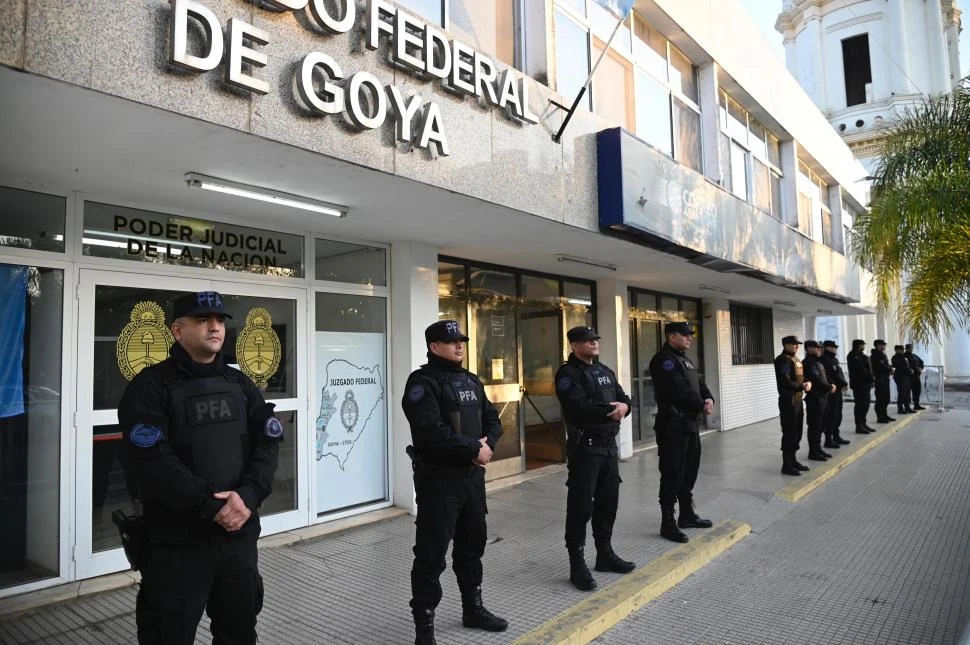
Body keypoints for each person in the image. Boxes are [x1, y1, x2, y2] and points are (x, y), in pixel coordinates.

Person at [117, 291, 282, 645]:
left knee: (238, 633)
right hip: (177, 543)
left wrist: (248, 496)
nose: (215, 327)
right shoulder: (150, 387)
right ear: (178, 330)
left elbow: (268, 443)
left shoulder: (239, 383)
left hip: (237, 540)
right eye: (203, 320)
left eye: (220, 321)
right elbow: (153, 461)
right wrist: (212, 507)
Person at [402, 320, 507, 645]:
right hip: (439, 483)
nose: (459, 346)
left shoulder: (470, 380)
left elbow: (492, 417)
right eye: (452, 342)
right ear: (434, 347)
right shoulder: (422, 383)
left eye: (461, 341)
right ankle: (425, 629)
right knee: (431, 555)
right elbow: (430, 432)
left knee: (472, 547)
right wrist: (474, 448)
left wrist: (487, 442)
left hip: (472, 481)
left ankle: (472, 608)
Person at [556, 326, 636, 590]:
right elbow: (578, 406)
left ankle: (605, 554)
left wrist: (625, 406)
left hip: (608, 448)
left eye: (595, 340)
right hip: (585, 449)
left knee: (607, 503)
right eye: (588, 341)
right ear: (574, 345)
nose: (594, 343)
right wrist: (612, 411)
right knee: (581, 507)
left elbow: (623, 397)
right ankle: (576, 563)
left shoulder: (604, 371)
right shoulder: (568, 374)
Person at [648, 322, 715, 544]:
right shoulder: (664, 360)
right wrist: (700, 404)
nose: (690, 339)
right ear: (671, 336)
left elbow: (698, 383)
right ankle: (667, 522)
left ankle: (686, 514)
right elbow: (677, 390)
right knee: (672, 472)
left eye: (690, 335)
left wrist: (708, 398)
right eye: (685, 335)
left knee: (690, 471)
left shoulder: (685, 359)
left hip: (690, 424)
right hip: (672, 426)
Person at [774, 336, 812, 476]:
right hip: (788, 401)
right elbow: (785, 381)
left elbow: (801, 377)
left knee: (797, 431)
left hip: (797, 399)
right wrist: (801, 386)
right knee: (789, 432)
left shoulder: (796, 359)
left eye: (798, 344)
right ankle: (787, 464)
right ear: (785, 345)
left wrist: (807, 382)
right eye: (794, 344)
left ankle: (794, 460)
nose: (797, 346)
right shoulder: (782, 360)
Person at [802, 341, 835, 461]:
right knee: (814, 426)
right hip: (815, 398)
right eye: (816, 348)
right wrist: (829, 387)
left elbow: (824, 377)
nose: (819, 350)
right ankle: (813, 451)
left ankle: (818, 448)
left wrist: (831, 384)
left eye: (819, 348)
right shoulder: (808, 363)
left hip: (822, 397)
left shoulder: (817, 362)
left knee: (821, 425)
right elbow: (816, 379)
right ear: (809, 349)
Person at [819, 340, 851, 448]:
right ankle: (828, 439)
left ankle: (836, 435)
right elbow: (832, 375)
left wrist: (843, 383)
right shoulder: (824, 360)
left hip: (837, 390)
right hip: (830, 391)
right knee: (831, 415)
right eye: (833, 347)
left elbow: (839, 373)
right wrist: (843, 383)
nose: (835, 349)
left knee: (838, 414)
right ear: (827, 348)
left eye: (835, 347)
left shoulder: (834, 359)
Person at [846, 339, 876, 434]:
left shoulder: (862, 355)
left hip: (866, 384)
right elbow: (860, 369)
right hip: (859, 384)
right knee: (860, 405)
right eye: (862, 345)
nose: (864, 346)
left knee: (866, 404)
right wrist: (871, 377)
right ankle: (859, 426)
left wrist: (871, 378)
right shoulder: (853, 355)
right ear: (858, 345)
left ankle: (863, 423)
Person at [870, 340, 896, 423]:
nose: (884, 346)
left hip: (885, 378)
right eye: (883, 345)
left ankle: (884, 414)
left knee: (886, 398)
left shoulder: (882, 354)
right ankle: (880, 417)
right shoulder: (875, 355)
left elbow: (885, 365)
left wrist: (890, 367)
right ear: (878, 345)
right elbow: (881, 366)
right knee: (880, 399)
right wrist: (889, 369)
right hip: (880, 379)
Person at [892, 345, 915, 414]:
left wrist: (910, 369)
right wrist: (909, 370)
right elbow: (900, 366)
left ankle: (907, 407)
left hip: (906, 376)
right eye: (901, 350)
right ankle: (900, 408)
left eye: (903, 349)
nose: (902, 351)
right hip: (900, 377)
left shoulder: (904, 357)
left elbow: (907, 365)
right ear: (897, 350)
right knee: (902, 393)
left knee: (907, 392)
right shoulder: (895, 358)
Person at [904, 344, 926, 410]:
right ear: (906, 348)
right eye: (909, 348)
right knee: (907, 392)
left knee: (917, 391)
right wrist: (914, 368)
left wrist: (920, 368)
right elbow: (905, 366)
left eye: (911, 348)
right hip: (908, 377)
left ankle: (916, 404)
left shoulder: (914, 355)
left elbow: (921, 362)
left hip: (916, 376)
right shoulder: (904, 356)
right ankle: (907, 406)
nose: (911, 349)